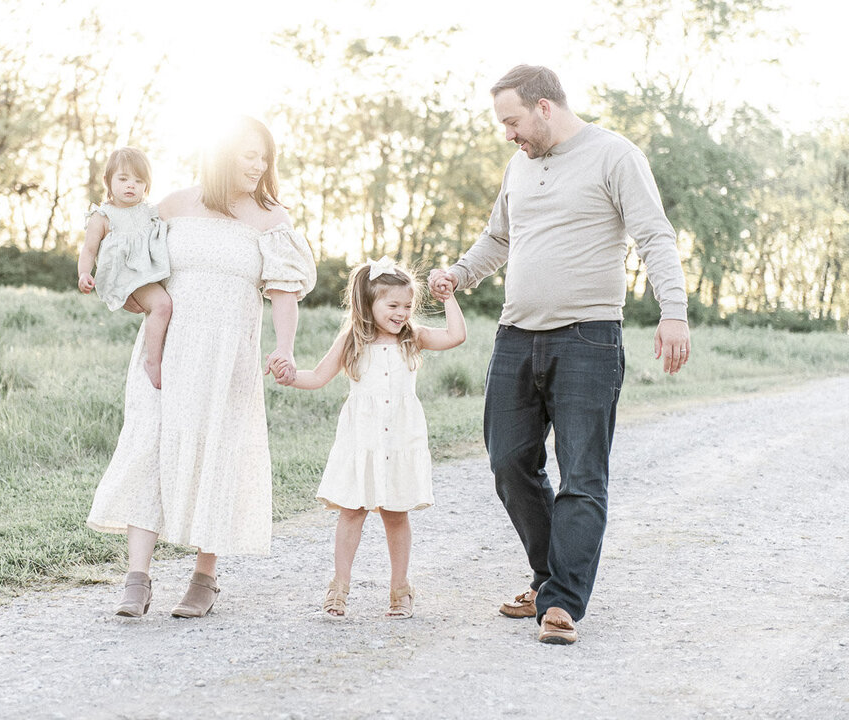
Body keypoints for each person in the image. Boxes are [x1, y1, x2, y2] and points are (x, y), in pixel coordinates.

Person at [429, 64, 690, 645]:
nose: (508, 133)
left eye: (513, 120)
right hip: (515, 335)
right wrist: (459, 274)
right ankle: (550, 580)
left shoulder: (615, 156)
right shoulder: (518, 165)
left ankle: (563, 603)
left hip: (587, 338)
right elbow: (500, 237)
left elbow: (654, 236)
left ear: (544, 107)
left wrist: (673, 311)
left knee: (582, 474)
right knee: (508, 462)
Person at [86, 116, 317, 619]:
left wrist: (285, 347)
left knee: (218, 452)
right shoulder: (171, 206)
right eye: (248, 154)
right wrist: (129, 297)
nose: (258, 165)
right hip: (165, 352)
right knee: (149, 446)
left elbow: (284, 293)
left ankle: (204, 576)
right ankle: (137, 577)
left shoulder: (271, 219)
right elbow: (129, 263)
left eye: (264, 157)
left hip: (227, 356)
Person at [288, 256, 466, 620]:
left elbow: (456, 336)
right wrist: (290, 375)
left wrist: (449, 298)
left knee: (396, 514)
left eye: (407, 306)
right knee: (351, 511)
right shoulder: (351, 340)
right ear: (369, 303)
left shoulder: (412, 338)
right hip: (362, 441)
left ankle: (401, 589)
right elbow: (318, 376)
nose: (402, 313)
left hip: (400, 441)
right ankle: (338, 587)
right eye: (393, 305)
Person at [77, 147, 172, 389]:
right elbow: (88, 250)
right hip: (127, 276)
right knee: (161, 305)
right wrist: (84, 273)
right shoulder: (103, 216)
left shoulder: (148, 212)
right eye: (123, 179)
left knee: (164, 305)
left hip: (148, 272)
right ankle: (152, 360)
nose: (131, 185)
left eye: (138, 181)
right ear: (107, 180)